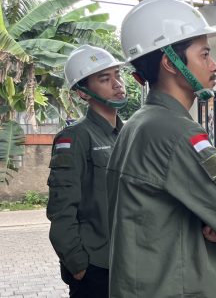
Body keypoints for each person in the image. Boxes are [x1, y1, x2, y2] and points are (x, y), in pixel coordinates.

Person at [106, 0, 216, 296]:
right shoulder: (176, 132)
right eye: (204, 55)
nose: (214, 65)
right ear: (170, 62)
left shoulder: (137, 125)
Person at [47, 44, 127, 298]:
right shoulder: (74, 138)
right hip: (96, 268)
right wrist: (78, 265)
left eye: (118, 75)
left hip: (130, 264)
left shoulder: (128, 136)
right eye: (105, 79)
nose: (117, 84)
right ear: (83, 93)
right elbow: (61, 210)